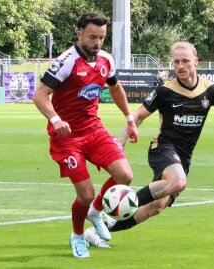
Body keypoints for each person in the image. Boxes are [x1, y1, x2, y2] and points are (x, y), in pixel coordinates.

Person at [84, 41, 214, 247]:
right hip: (163, 148)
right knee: (178, 182)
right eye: (176, 62)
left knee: (156, 207)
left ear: (196, 62)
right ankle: (120, 203)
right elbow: (138, 115)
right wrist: (120, 142)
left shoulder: (209, 90)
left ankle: (96, 231)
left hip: (184, 156)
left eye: (185, 61)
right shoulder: (165, 90)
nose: (181, 66)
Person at [33, 12, 138, 258]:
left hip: (93, 129)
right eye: (92, 37)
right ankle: (78, 236)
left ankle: (95, 211)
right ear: (79, 33)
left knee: (125, 175)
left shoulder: (106, 60)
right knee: (86, 193)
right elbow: (40, 95)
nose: (97, 43)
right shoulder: (66, 61)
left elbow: (115, 88)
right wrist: (56, 119)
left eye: (101, 38)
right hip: (67, 137)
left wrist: (130, 119)